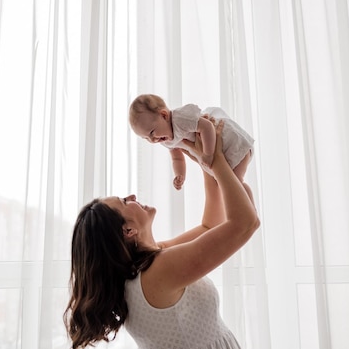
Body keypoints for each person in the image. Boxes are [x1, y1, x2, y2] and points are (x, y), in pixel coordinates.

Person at [63, 120, 259, 349]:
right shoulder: (159, 270)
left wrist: (203, 157)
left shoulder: (150, 265)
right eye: (125, 202)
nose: (133, 196)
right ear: (128, 231)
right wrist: (214, 160)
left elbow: (209, 227)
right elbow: (245, 224)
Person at [128, 94, 254, 196]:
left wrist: (208, 154)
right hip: (221, 155)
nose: (152, 139)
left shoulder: (180, 119)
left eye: (151, 132)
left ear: (164, 115)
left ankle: (249, 212)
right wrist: (179, 174)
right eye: (146, 138)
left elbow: (207, 126)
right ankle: (248, 211)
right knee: (232, 187)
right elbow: (177, 158)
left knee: (234, 186)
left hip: (232, 143)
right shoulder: (165, 139)